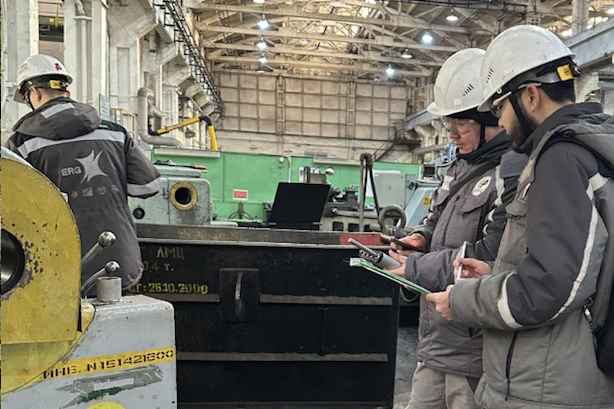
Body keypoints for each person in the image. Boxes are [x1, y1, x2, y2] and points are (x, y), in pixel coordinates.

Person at [426, 25, 614, 408]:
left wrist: (464, 299)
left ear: (530, 95)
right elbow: (575, 269)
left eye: (500, 108)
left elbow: (547, 289)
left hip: (546, 385)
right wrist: (496, 274)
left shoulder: (561, 159)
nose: (500, 122)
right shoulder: (591, 148)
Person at [386, 48, 527, 409]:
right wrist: (420, 238)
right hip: (436, 340)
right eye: (449, 124)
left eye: (461, 125)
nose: (451, 134)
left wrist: (416, 267)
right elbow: (436, 219)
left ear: (492, 120)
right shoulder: (460, 167)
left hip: (473, 350)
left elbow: (491, 255)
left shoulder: (512, 172)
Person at [7, 54, 161, 295]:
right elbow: (149, 186)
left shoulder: (22, 143)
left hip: (56, 265)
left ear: (34, 92)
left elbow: (14, 207)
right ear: (66, 91)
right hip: (117, 258)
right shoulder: (115, 133)